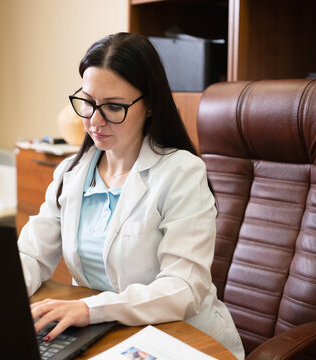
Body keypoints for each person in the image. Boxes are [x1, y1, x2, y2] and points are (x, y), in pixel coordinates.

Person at [18, 32, 245, 359]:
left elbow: (183, 289)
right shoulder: (72, 172)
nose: (95, 121)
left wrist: (89, 308)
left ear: (150, 104)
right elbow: (31, 255)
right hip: (107, 334)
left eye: (113, 107)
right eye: (87, 102)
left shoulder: (181, 173)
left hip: (180, 336)